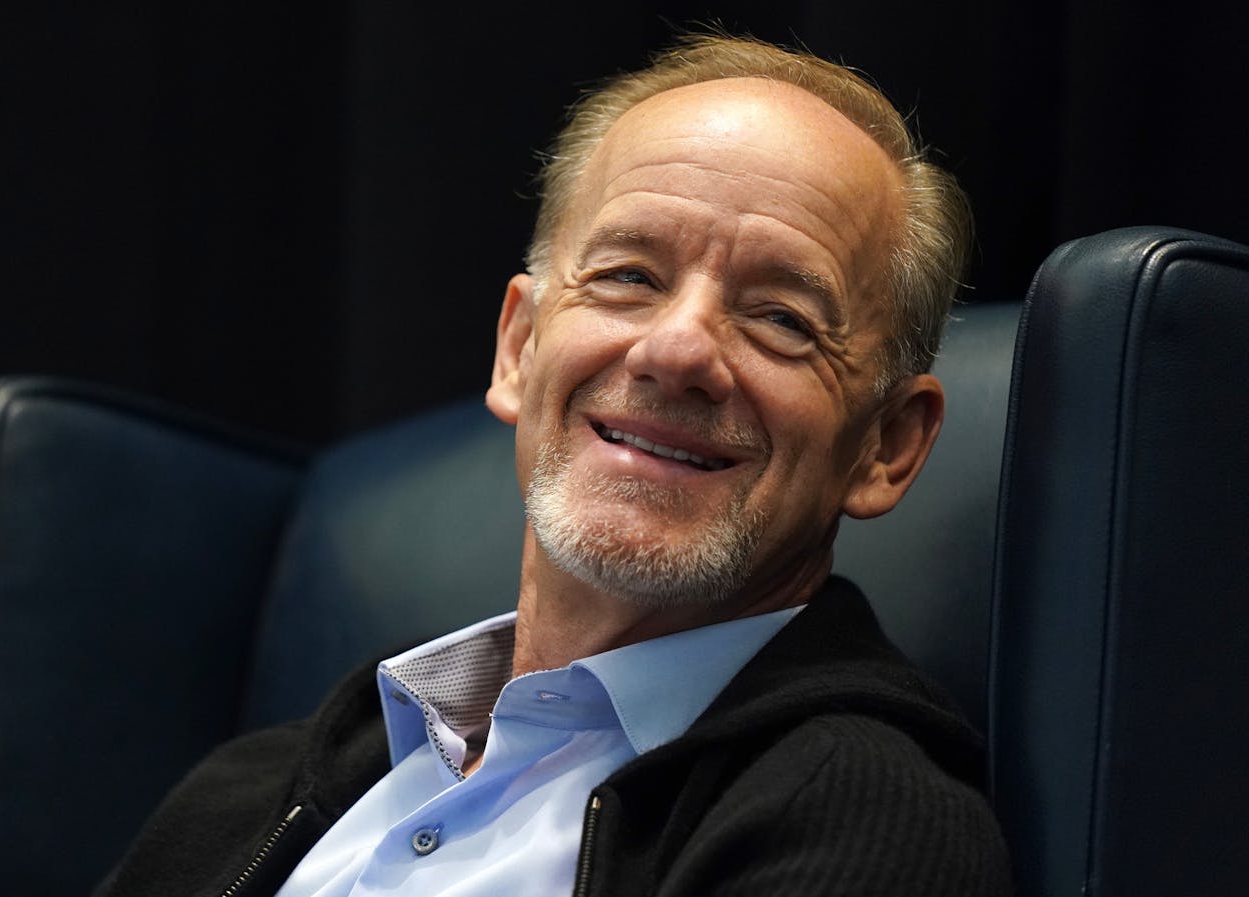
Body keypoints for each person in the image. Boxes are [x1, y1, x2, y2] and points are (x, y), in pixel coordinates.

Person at [94, 31, 1013, 897]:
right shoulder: (246, 790)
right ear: (520, 348)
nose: (678, 350)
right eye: (629, 276)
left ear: (886, 446)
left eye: (782, 318)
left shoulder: (867, 821)